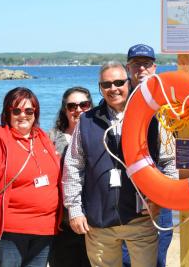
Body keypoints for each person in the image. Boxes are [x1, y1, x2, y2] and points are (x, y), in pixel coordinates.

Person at [62, 61, 160, 267]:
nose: (113, 89)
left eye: (118, 82)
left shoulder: (151, 117)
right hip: (99, 222)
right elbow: (73, 166)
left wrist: (159, 198)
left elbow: (169, 160)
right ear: (100, 88)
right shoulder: (87, 121)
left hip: (140, 218)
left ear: (129, 83)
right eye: (106, 85)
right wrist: (75, 210)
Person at [0, 87, 61, 267]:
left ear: (35, 113)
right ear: (8, 112)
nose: (23, 115)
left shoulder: (42, 137)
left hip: (45, 229)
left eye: (29, 110)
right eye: (16, 110)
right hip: (10, 231)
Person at [126, 43, 178, 267]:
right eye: (136, 65)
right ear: (128, 68)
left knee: (158, 254)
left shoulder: (168, 99)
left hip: (158, 189)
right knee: (126, 256)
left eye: (146, 64)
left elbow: (174, 152)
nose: (141, 70)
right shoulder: (117, 98)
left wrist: (168, 191)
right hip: (126, 192)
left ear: (154, 67)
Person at [48, 87, 93, 267]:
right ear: (64, 110)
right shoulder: (50, 138)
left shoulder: (101, 134)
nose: (78, 110)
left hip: (94, 222)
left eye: (84, 104)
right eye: (72, 106)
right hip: (61, 223)